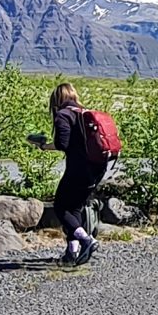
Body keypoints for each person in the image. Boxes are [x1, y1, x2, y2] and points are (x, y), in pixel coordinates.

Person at [33, 83, 114, 265]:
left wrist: (44, 146)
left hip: (79, 169)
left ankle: (87, 240)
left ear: (56, 100)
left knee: (61, 207)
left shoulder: (63, 115)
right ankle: (72, 253)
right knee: (75, 208)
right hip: (97, 168)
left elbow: (63, 143)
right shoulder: (83, 113)